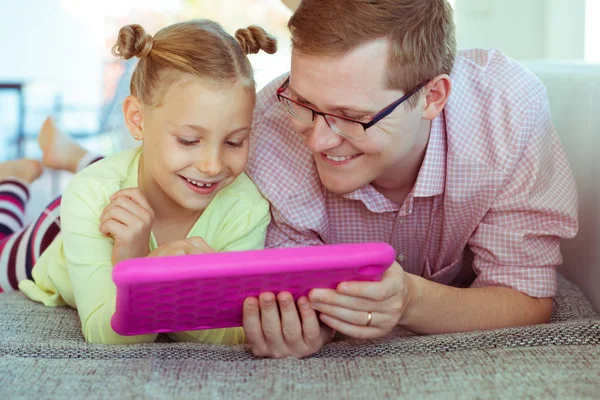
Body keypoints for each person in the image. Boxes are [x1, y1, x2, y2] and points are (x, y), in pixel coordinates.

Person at [241, 0, 579, 358]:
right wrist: (309, 328)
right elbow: (298, 304)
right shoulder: (266, 130)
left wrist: (412, 301)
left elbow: (525, 296)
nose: (317, 140)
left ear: (433, 97)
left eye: (352, 116)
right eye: (303, 102)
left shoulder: (506, 114)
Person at [1, 19, 281, 345]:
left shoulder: (246, 207)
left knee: (149, 170)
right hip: (57, 235)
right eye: (189, 140)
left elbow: (233, 334)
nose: (212, 165)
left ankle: (67, 154)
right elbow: (108, 338)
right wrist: (138, 268)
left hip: (136, 177)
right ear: (137, 120)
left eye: (235, 142)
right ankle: (14, 179)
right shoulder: (90, 195)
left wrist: (167, 284)